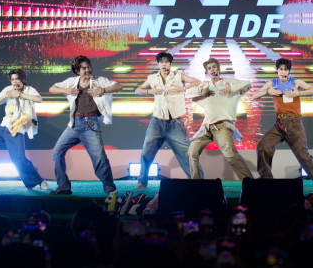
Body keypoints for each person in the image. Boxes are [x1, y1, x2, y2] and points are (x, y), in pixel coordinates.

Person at [48, 56, 122, 205]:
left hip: (90, 124)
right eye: (84, 68)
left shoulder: (98, 80)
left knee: (99, 158)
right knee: (57, 152)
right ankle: (63, 187)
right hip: (74, 124)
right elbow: (52, 88)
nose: (88, 70)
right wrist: (66, 90)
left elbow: (118, 86)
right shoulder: (72, 82)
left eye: (89, 67)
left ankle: (111, 191)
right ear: (77, 71)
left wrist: (103, 90)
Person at [250, 58, 313, 185]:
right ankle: (266, 180)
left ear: (289, 71)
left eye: (286, 70)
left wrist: (298, 93)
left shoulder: (295, 82)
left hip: (294, 122)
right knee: (263, 146)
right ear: (277, 70)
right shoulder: (271, 83)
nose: (283, 72)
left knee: (302, 154)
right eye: (281, 69)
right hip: (279, 124)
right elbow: (254, 96)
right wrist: (268, 91)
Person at [133, 51, 203, 188]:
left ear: (170, 64)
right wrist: (149, 91)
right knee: (146, 152)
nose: (164, 64)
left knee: (186, 154)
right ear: (158, 64)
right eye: (161, 62)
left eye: (167, 62)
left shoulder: (178, 75)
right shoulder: (152, 78)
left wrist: (183, 88)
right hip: (157, 122)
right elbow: (137, 90)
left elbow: (197, 82)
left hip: (175, 122)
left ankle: (199, 182)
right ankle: (142, 182)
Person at [0, 69, 49, 190]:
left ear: (22, 79)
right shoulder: (7, 90)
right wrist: (6, 95)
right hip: (3, 127)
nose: (15, 82)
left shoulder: (29, 90)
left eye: (17, 79)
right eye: (13, 79)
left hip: (16, 130)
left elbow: (38, 99)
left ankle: (40, 181)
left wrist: (20, 95)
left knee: (19, 159)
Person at [187, 58, 253, 180]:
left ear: (218, 68)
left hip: (222, 126)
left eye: (214, 67)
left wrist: (231, 89)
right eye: (209, 68)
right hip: (206, 127)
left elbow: (248, 84)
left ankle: (249, 183)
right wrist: (202, 94)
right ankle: (195, 184)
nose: (212, 70)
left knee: (231, 156)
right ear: (207, 71)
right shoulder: (205, 86)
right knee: (192, 153)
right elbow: (188, 94)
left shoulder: (229, 82)